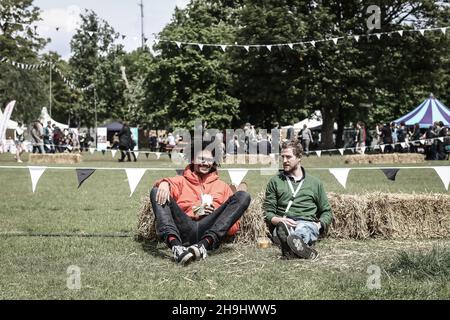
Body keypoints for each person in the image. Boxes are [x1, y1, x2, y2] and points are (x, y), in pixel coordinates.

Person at [150, 142, 251, 266]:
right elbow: (162, 189)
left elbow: (233, 228)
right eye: (201, 159)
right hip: (184, 227)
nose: (205, 163)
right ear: (192, 159)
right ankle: (176, 247)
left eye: (209, 160)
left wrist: (217, 214)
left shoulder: (223, 187)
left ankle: (202, 246)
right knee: (156, 192)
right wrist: (164, 183)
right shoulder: (181, 181)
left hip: (209, 230)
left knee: (243, 196)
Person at [263, 141, 333, 260]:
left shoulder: (315, 183)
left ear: (299, 157)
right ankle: (296, 246)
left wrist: (319, 224)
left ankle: (291, 245)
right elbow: (268, 212)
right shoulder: (275, 181)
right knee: (282, 230)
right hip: (283, 224)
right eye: (282, 157)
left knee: (303, 228)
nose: (284, 160)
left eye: (288, 157)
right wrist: (279, 220)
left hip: (306, 223)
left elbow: (326, 211)